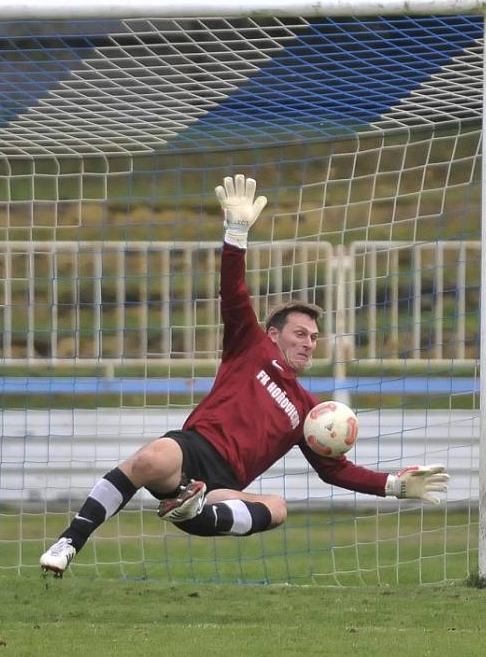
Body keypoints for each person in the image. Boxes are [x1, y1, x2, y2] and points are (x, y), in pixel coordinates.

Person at [40, 174, 449, 577]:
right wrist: (236, 233)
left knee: (278, 509)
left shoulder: (311, 411)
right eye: (300, 333)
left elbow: (335, 469)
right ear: (274, 335)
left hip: (222, 490)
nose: (309, 342)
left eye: (315, 338)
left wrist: (393, 485)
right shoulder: (250, 346)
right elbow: (233, 291)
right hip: (193, 450)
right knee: (149, 458)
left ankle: (195, 508)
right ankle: (69, 543)